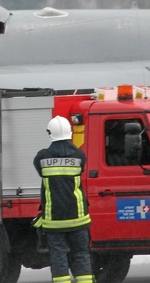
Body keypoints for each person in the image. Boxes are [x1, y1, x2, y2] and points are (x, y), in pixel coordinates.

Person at [33, 116, 94, 283]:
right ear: (70, 132)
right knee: (81, 254)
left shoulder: (41, 158)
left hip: (54, 221)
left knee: (58, 256)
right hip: (78, 218)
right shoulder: (80, 155)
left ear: (50, 133)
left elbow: (40, 170)